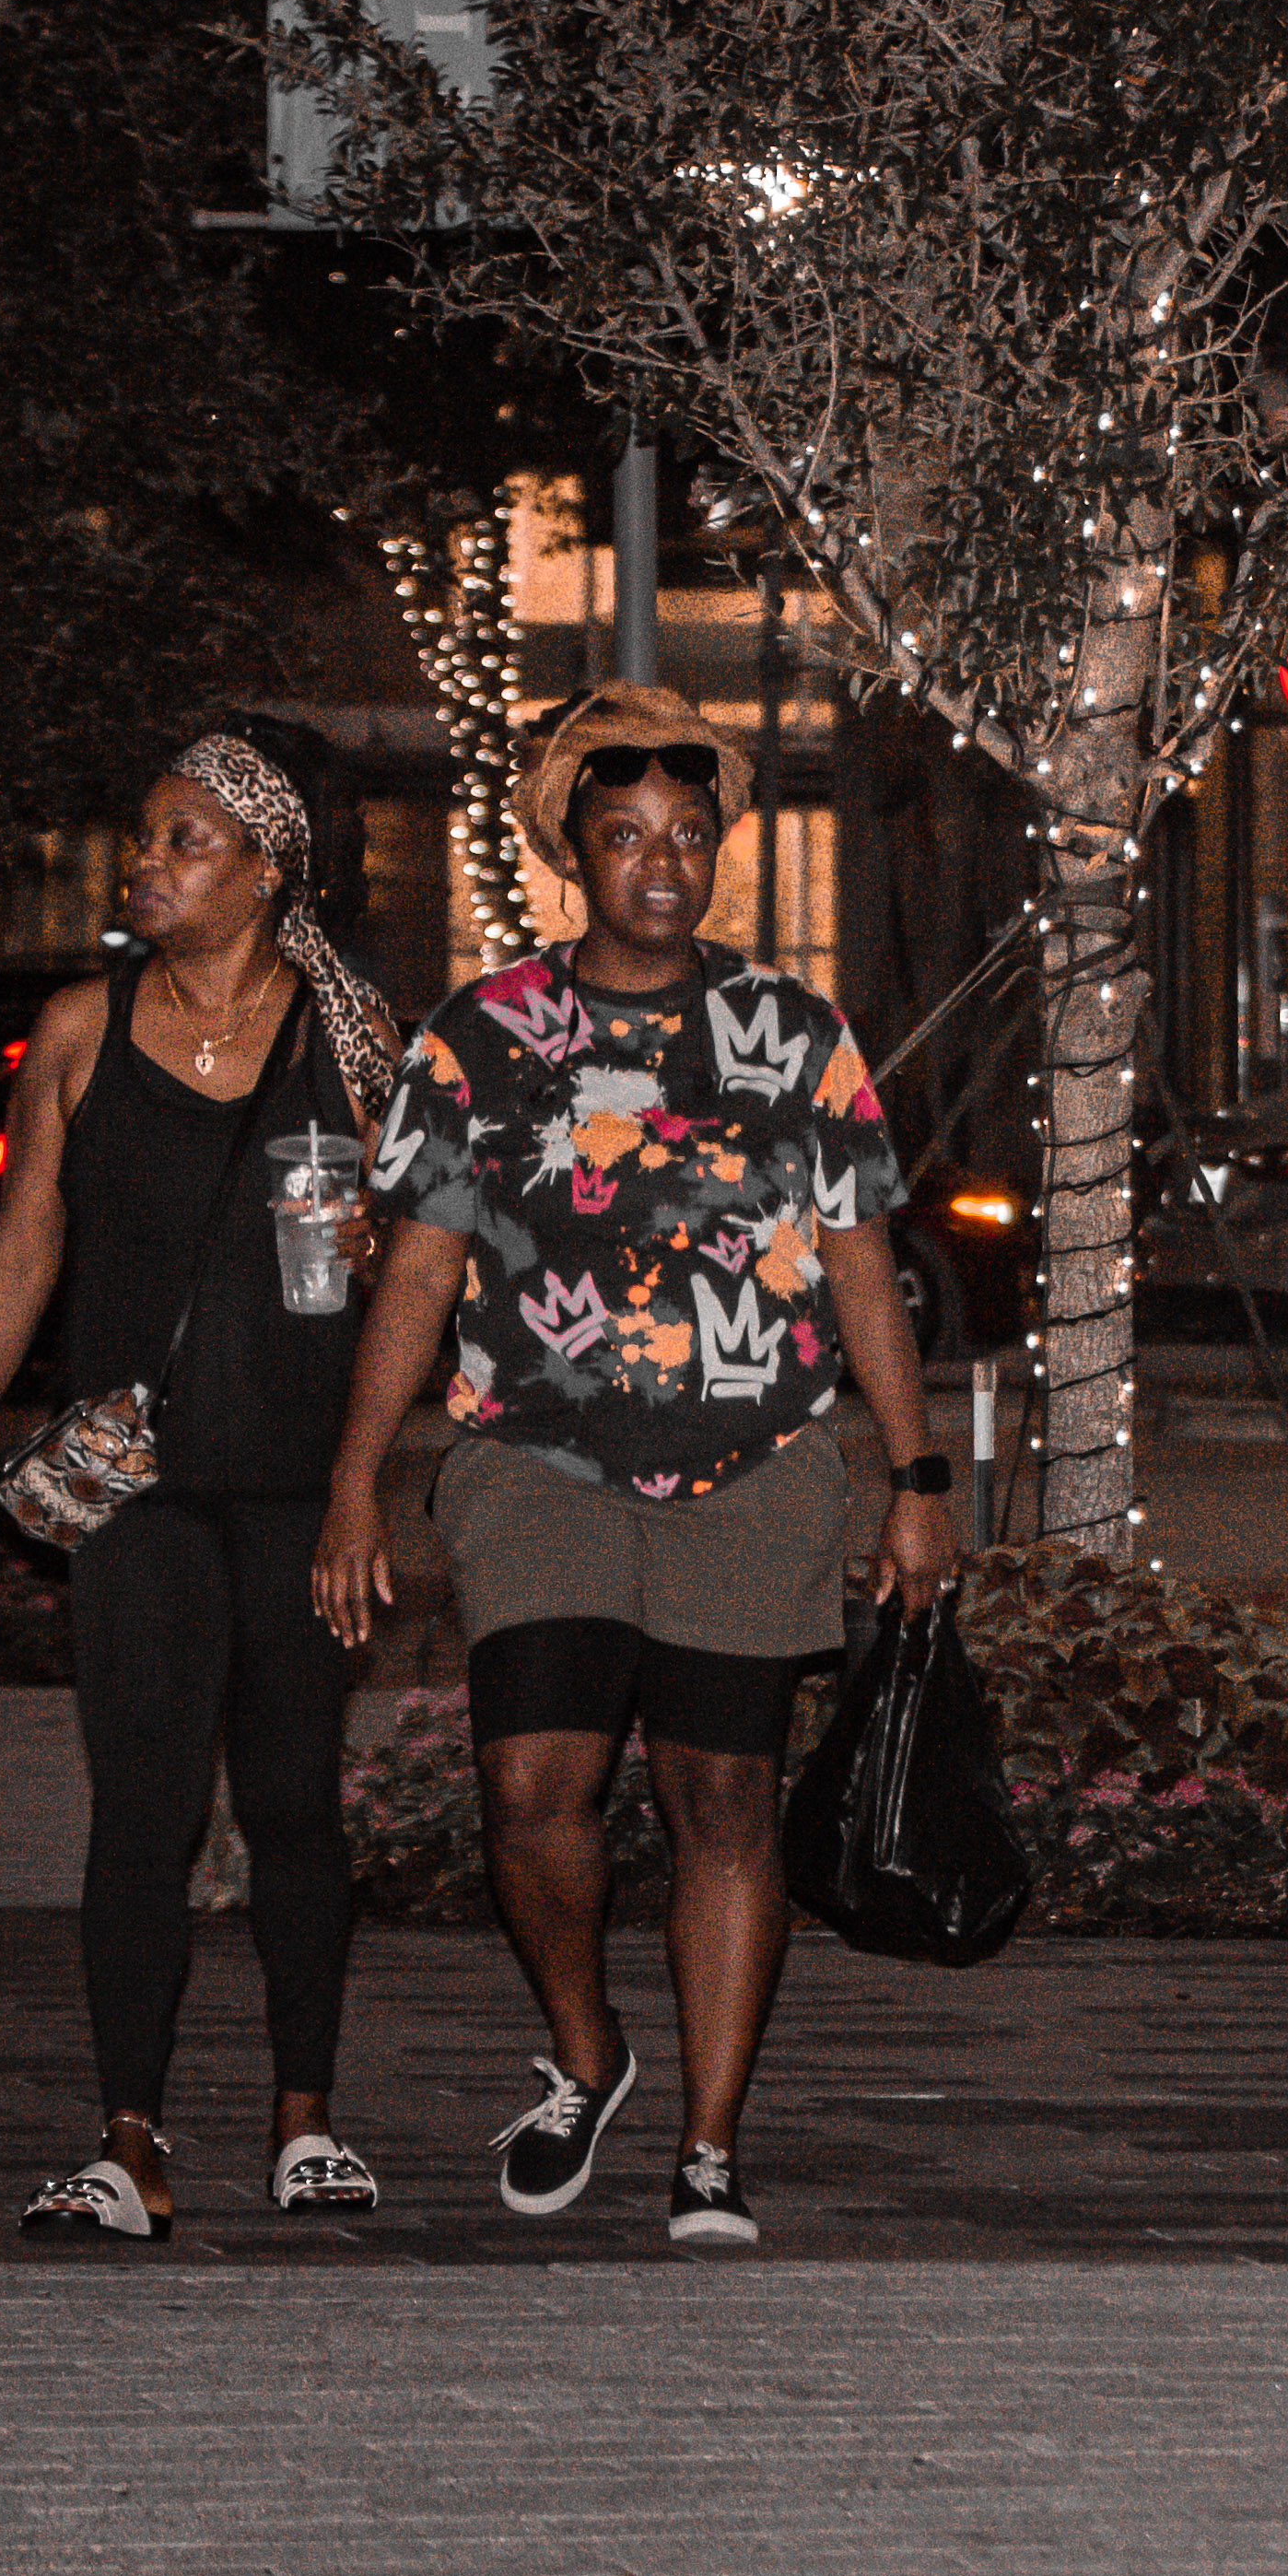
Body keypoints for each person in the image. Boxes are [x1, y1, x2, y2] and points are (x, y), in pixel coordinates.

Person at [313, 683, 954, 2250]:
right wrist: (354, 1478)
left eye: (687, 836)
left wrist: (917, 1477)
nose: (662, 865)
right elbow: (416, 1269)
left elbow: (862, 1265)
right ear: (570, 856)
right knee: (533, 1789)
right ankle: (588, 2053)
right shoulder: (480, 1038)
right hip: (538, 1459)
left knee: (721, 1796)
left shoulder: (794, 1035)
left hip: (758, 1465)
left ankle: (710, 2145)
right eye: (625, 837)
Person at [0, 722, 408, 2244]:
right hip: (133, 1488)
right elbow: (26, 1244)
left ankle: (306, 2121)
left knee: (294, 1804)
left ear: (266, 869)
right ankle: (128, 2141)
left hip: (298, 1485)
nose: (147, 863)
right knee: (142, 1805)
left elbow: (419, 1265)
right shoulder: (79, 1027)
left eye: (185, 840)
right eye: (147, 836)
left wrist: (365, 1462)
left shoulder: (350, 1032)